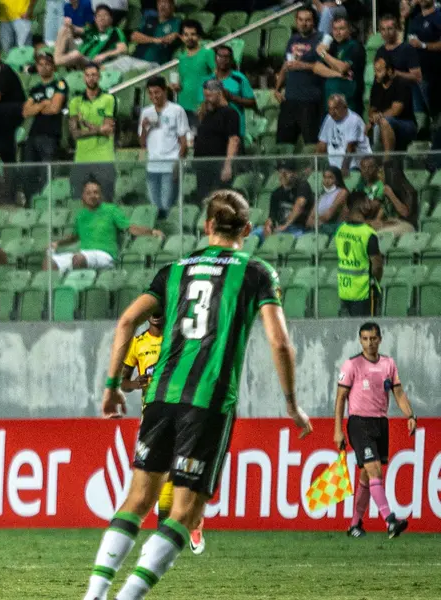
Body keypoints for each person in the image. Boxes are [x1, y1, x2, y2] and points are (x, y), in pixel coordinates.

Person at [84, 190, 312, 600]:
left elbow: (125, 321)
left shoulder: (174, 270)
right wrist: (292, 402)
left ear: (207, 226)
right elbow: (279, 342)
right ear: (246, 229)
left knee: (136, 499)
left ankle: (95, 594)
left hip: (160, 397)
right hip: (207, 402)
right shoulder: (256, 272)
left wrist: (112, 386)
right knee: (184, 512)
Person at [121, 314, 206, 554]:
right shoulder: (137, 344)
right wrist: (137, 383)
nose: (156, 313)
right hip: (151, 416)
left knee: (178, 472)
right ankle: (185, 526)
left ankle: (185, 528)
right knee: (159, 478)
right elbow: (123, 382)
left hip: (179, 412)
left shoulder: (176, 339)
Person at [335, 322, 415, 538]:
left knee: (366, 476)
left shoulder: (388, 364)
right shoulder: (351, 365)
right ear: (360, 340)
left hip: (380, 423)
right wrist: (338, 430)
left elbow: (398, 393)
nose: (369, 343)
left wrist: (410, 415)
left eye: (373, 339)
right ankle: (390, 521)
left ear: (380, 339)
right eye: (365, 339)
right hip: (359, 423)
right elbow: (341, 397)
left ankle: (354, 525)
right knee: (375, 471)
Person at [49, 179, 163, 272]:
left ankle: (81, 287)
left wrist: (151, 232)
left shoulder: (111, 210)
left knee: (78, 258)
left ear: (101, 195)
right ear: (83, 196)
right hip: (84, 254)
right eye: (88, 193)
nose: (93, 196)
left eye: (96, 192)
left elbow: (130, 228)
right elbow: (74, 237)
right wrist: (57, 243)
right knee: (50, 262)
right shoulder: (80, 215)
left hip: (105, 255)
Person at [138, 75, 188, 220]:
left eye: (157, 92)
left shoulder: (176, 110)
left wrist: (177, 165)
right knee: (154, 207)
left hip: (170, 165)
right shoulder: (146, 112)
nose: (154, 96)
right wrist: (144, 127)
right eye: (151, 93)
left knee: (167, 205)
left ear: (165, 91)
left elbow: (183, 142)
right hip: (152, 166)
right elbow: (142, 143)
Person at [274, 7, 324, 146]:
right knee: (284, 144)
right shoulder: (292, 39)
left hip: (310, 100)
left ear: (314, 22)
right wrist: (277, 88)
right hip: (289, 99)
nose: (304, 23)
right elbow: (286, 65)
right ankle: (285, 169)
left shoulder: (321, 39)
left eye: (307, 20)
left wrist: (302, 65)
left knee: (311, 144)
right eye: (300, 20)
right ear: (296, 21)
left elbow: (322, 68)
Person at [21, 51, 67, 197]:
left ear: (53, 66)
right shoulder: (35, 88)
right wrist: (42, 105)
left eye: (47, 64)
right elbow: (26, 112)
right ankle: (31, 201)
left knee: (46, 172)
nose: (43, 67)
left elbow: (54, 108)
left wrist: (37, 107)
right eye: (40, 64)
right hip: (33, 134)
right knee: (28, 171)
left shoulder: (60, 84)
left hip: (50, 135)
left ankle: (46, 202)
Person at [68, 63, 117, 202]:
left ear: (99, 77)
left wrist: (86, 125)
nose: (91, 78)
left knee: (106, 201)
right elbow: (75, 134)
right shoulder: (75, 102)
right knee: (78, 201)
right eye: (88, 75)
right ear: (84, 78)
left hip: (104, 158)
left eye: (94, 75)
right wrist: (98, 129)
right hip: (81, 159)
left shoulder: (109, 99)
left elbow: (108, 130)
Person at [335, 192, 384, 316]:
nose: (370, 204)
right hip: (363, 294)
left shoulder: (340, 230)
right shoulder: (368, 234)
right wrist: (376, 281)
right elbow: (377, 266)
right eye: (367, 201)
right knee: (365, 331)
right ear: (362, 206)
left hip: (344, 291)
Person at [193, 80, 241, 204]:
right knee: (203, 201)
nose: (206, 99)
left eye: (209, 96)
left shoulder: (230, 113)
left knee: (217, 201)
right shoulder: (207, 113)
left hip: (218, 166)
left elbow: (234, 140)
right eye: (205, 96)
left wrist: (228, 165)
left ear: (219, 93)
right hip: (203, 167)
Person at [316, 15, 364, 116]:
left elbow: (343, 68)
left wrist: (323, 54)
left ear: (349, 29)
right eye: (335, 29)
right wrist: (336, 73)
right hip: (329, 102)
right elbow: (317, 68)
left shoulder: (355, 46)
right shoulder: (331, 47)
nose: (338, 32)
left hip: (348, 104)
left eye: (341, 29)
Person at [368, 56, 417, 153]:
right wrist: (373, 117)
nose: (376, 74)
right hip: (382, 121)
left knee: (385, 122)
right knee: (367, 127)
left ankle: (387, 160)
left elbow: (396, 111)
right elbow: (372, 109)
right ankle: (372, 162)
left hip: (406, 124)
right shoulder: (377, 85)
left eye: (379, 71)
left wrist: (379, 117)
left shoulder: (401, 84)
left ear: (389, 71)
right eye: (375, 71)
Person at [255, 160, 313, 240]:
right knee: (255, 233)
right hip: (280, 228)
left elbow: (300, 203)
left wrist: (285, 225)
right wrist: (267, 226)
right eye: (280, 172)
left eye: (287, 172)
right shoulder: (276, 193)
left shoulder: (303, 186)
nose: (283, 175)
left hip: (299, 228)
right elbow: (271, 216)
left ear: (295, 174)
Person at [54, 6, 127, 69]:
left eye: (105, 15)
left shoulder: (115, 31)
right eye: (99, 15)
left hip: (91, 62)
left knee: (76, 54)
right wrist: (69, 24)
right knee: (65, 29)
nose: (102, 18)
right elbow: (75, 29)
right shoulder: (92, 30)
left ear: (111, 19)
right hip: (78, 55)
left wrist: (104, 55)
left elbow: (123, 49)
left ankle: (55, 61)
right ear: (95, 19)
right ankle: (56, 59)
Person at [170, 19, 212, 128]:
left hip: (201, 107)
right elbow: (182, 81)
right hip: (182, 107)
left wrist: (207, 102)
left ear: (199, 37)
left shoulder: (207, 53)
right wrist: (176, 86)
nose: (189, 38)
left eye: (193, 34)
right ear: (181, 37)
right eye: (186, 35)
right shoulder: (181, 57)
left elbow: (216, 78)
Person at [209, 44, 255, 142]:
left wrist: (232, 97)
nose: (223, 59)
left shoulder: (239, 78)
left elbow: (252, 102)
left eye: (226, 57)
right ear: (215, 59)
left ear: (231, 59)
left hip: (236, 130)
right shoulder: (209, 79)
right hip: (215, 131)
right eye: (220, 56)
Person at [359, 156, 417, 234]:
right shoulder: (382, 190)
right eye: (379, 172)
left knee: (378, 234)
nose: (379, 176)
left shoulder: (409, 191)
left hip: (406, 225)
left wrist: (390, 194)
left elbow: (405, 213)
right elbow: (380, 213)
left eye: (382, 173)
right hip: (390, 223)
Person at [317, 94, 372, 172]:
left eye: (335, 108)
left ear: (345, 107)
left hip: (355, 166)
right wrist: (313, 166)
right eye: (330, 109)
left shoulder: (354, 120)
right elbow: (322, 145)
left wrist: (344, 168)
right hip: (334, 167)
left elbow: (351, 148)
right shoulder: (329, 119)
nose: (332, 113)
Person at [130, 0, 180, 67]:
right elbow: (134, 36)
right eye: (160, 2)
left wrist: (144, 39)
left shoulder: (176, 22)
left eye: (166, 3)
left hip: (154, 64)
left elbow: (169, 39)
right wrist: (155, 40)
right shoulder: (149, 19)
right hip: (135, 58)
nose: (162, 5)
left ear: (172, 6)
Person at [306, 165, 348, 234]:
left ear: (337, 180)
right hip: (319, 227)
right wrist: (315, 222)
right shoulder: (321, 195)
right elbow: (308, 220)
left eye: (330, 177)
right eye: (324, 177)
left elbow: (328, 216)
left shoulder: (342, 192)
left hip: (335, 229)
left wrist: (314, 221)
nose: (326, 181)